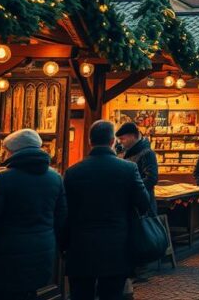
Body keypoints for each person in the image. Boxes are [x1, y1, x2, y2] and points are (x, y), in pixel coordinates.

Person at [0, 129, 67, 300]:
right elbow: (61, 216)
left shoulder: (5, 179)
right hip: (43, 250)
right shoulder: (55, 177)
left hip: (10, 253)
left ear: (14, 152)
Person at [63, 121, 150, 300]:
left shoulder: (72, 172)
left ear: (89, 141)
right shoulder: (128, 169)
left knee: (81, 295)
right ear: (112, 141)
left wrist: (64, 245)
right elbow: (143, 203)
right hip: (116, 246)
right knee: (112, 294)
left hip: (81, 247)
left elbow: (65, 212)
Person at [116, 122, 158, 215]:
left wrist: (129, 188)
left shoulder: (147, 153)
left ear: (133, 136)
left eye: (122, 138)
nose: (120, 141)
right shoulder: (124, 152)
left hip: (144, 206)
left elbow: (151, 179)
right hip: (132, 205)